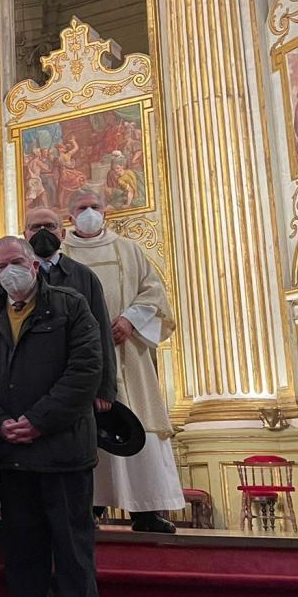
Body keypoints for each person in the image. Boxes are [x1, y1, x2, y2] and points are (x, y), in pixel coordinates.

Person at [0, 237, 104, 597]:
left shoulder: (70, 306)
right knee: (22, 550)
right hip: (12, 454)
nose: (10, 271)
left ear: (33, 263)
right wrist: (0, 421)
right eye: (1, 265)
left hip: (62, 451)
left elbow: (86, 371)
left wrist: (39, 419)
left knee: (72, 548)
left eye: (16, 262)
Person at [63, 190, 183, 533]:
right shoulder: (62, 255)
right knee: (86, 429)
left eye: (95, 207)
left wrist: (130, 320)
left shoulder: (129, 250)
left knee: (138, 422)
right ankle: (90, 506)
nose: (89, 213)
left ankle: (145, 510)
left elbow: (153, 292)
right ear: (70, 216)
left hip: (126, 350)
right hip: (81, 358)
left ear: (106, 212)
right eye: (81, 208)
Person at [24, 207, 118, 420]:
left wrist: (105, 388)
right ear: (25, 235)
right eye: (35, 227)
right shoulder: (15, 277)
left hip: (76, 382)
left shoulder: (83, 275)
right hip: (30, 382)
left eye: (49, 226)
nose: (42, 232)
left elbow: (101, 332)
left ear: (63, 233)